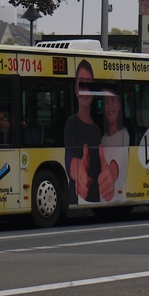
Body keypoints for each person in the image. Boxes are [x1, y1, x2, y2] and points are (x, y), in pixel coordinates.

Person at [65, 60, 102, 204]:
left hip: (95, 198)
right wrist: (78, 168)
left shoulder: (98, 130)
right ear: (76, 90)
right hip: (76, 196)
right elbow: (69, 154)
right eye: (81, 83)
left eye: (89, 84)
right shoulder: (71, 123)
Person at [98, 88, 129, 202]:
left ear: (120, 105)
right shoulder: (104, 139)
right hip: (104, 199)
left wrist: (111, 173)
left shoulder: (124, 135)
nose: (110, 106)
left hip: (116, 198)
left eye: (113, 100)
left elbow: (115, 165)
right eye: (106, 102)